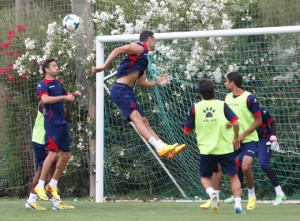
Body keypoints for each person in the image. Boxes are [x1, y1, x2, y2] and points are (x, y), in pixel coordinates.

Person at [92, 30, 186, 159]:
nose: (156, 44)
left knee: (144, 121)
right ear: (151, 39)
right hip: (120, 90)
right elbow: (117, 49)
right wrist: (103, 67)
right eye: (155, 41)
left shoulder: (144, 59)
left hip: (127, 91)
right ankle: (160, 147)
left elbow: (142, 83)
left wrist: (156, 83)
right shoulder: (140, 47)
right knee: (137, 118)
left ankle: (164, 147)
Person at [200, 72, 262, 210]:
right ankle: (214, 199)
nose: (224, 83)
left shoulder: (250, 99)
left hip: (248, 140)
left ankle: (251, 195)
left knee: (245, 167)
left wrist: (243, 135)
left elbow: (258, 121)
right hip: (232, 140)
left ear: (232, 82)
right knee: (217, 167)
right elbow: (228, 118)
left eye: (226, 81)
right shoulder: (227, 98)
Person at [183, 79, 244, 214]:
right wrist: (235, 138)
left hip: (207, 150)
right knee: (233, 176)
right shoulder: (222, 105)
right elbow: (236, 122)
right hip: (225, 148)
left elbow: (186, 131)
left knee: (205, 177)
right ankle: (238, 205)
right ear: (213, 91)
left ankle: (212, 195)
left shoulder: (195, 108)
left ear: (200, 93)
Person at [34, 58, 79, 203]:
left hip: (62, 124)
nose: (57, 67)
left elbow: (66, 97)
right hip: (52, 124)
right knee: (53, 153)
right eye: (54, 66)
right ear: (47, 69)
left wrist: (72, 96)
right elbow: (45, 100)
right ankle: (40, 186)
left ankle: (52, 184)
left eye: (57, 65)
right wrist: (64, 97)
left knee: (66, 154)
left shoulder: (58, 83)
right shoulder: (43, 84)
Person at [224, 105, 286, 206]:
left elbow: (272, 123)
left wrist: (273, 137)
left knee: (264, 164)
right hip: (250, 141)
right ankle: (237, 194)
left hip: (263, 139)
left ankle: (280, 193)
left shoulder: (260, 109)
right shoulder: (240, 110)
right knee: (237, 164)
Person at [25, 100, 76, 210]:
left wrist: (67, 103)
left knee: (52, 169)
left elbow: (66, 119)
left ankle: (55, 202)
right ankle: (32, 200)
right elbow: (50, 117)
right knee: (42, 168)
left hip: (50, 140)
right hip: (40, 140)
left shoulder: (58, 102)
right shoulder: (44, 102)